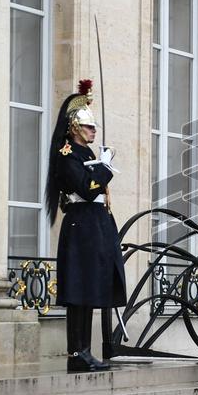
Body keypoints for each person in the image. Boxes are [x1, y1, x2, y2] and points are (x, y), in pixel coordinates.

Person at [45, 79, 127, 372]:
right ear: (74, 127)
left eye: (93, 127)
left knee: (91, 288)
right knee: (80, 291)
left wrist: (100, 163)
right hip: (82, 226)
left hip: (95, 225)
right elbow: (89, 188)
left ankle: (85, 350)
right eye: (89, 126)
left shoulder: (86, 155)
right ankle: (76, 352)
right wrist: (105, 167)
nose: (94, 130)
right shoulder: (67, 155)